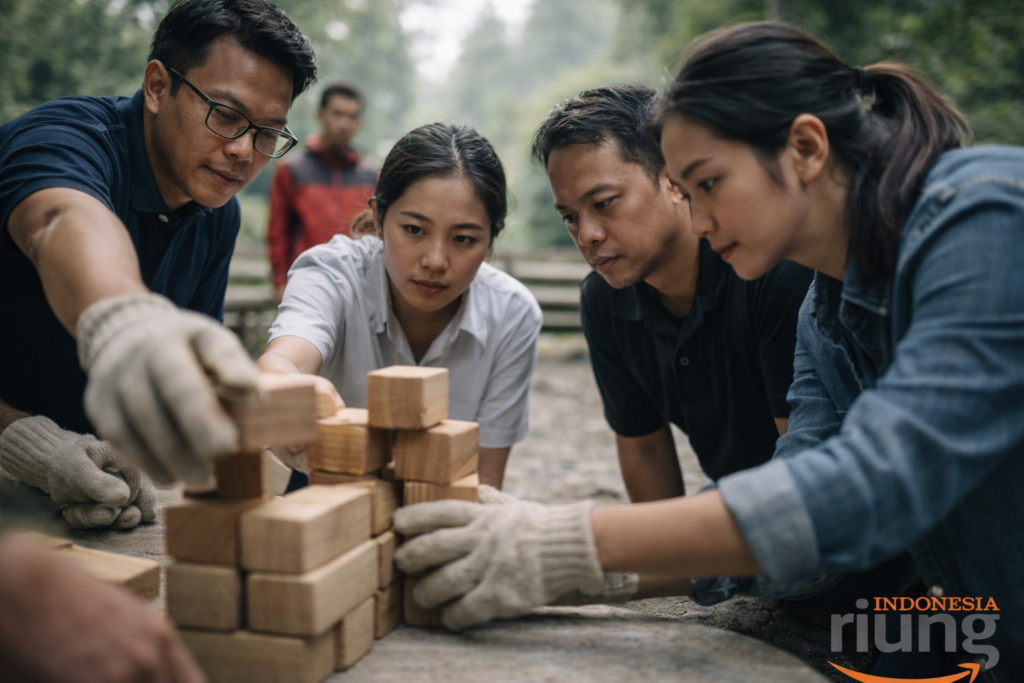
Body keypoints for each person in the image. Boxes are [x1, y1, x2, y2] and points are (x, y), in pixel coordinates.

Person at [392, 21, 1023, 679]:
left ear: (806, 148)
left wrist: (569, 542)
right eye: (687, 193)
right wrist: (584, 568)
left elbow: (872, 482)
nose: (695, 219)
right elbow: (796, 486)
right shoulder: (823, 314)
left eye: (708, 184)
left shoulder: (985, 218)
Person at [0, 0, 317, 528]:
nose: (244, 151)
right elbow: (61, 221)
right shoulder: (65, 140)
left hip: (76, 499)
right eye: (226, 115)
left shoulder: (218, 212)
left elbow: (181, 372)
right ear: (156, 86)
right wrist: (20, 439)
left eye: (267, 133)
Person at [533, 84, 812, 502]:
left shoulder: (768, 272)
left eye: (604, 203)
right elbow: (644, 448)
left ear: (673, 179)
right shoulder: (604, 298)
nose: (586, 235)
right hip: (733, 506)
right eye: (569, 217)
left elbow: (804, 471)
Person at [258, 123, 543, 489]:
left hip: (442, 504)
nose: (435, 261)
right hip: (316, 493)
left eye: (463, 239)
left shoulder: (513, 315)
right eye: (414, 230)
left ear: (491, 239)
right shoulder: (330, 274)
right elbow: (285, 360)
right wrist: (284, 385)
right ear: (379, 218)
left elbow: (483, 481)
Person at [267, 82, 378, 305]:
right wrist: (279, 281)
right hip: (305, 283)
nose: (344, 123)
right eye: (337, 114)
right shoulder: (292, 169)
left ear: (359, 122)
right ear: (320, 115)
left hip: (360, 287)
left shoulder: (372, 175)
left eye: (351, 116)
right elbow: (278, 230)